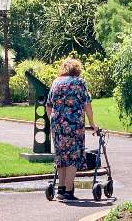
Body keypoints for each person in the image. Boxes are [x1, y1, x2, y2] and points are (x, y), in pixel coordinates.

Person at [46, 58, 96, 201]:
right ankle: (68, 191)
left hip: (57, 124)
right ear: (77, 69)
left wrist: (54, 121)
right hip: (74, 124)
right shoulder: (79, 82)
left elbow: (48, 106)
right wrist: (92, 123)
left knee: (61, 156)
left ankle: (61, 190)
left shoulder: (56, 82)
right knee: (73, 156)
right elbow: (87, 104)